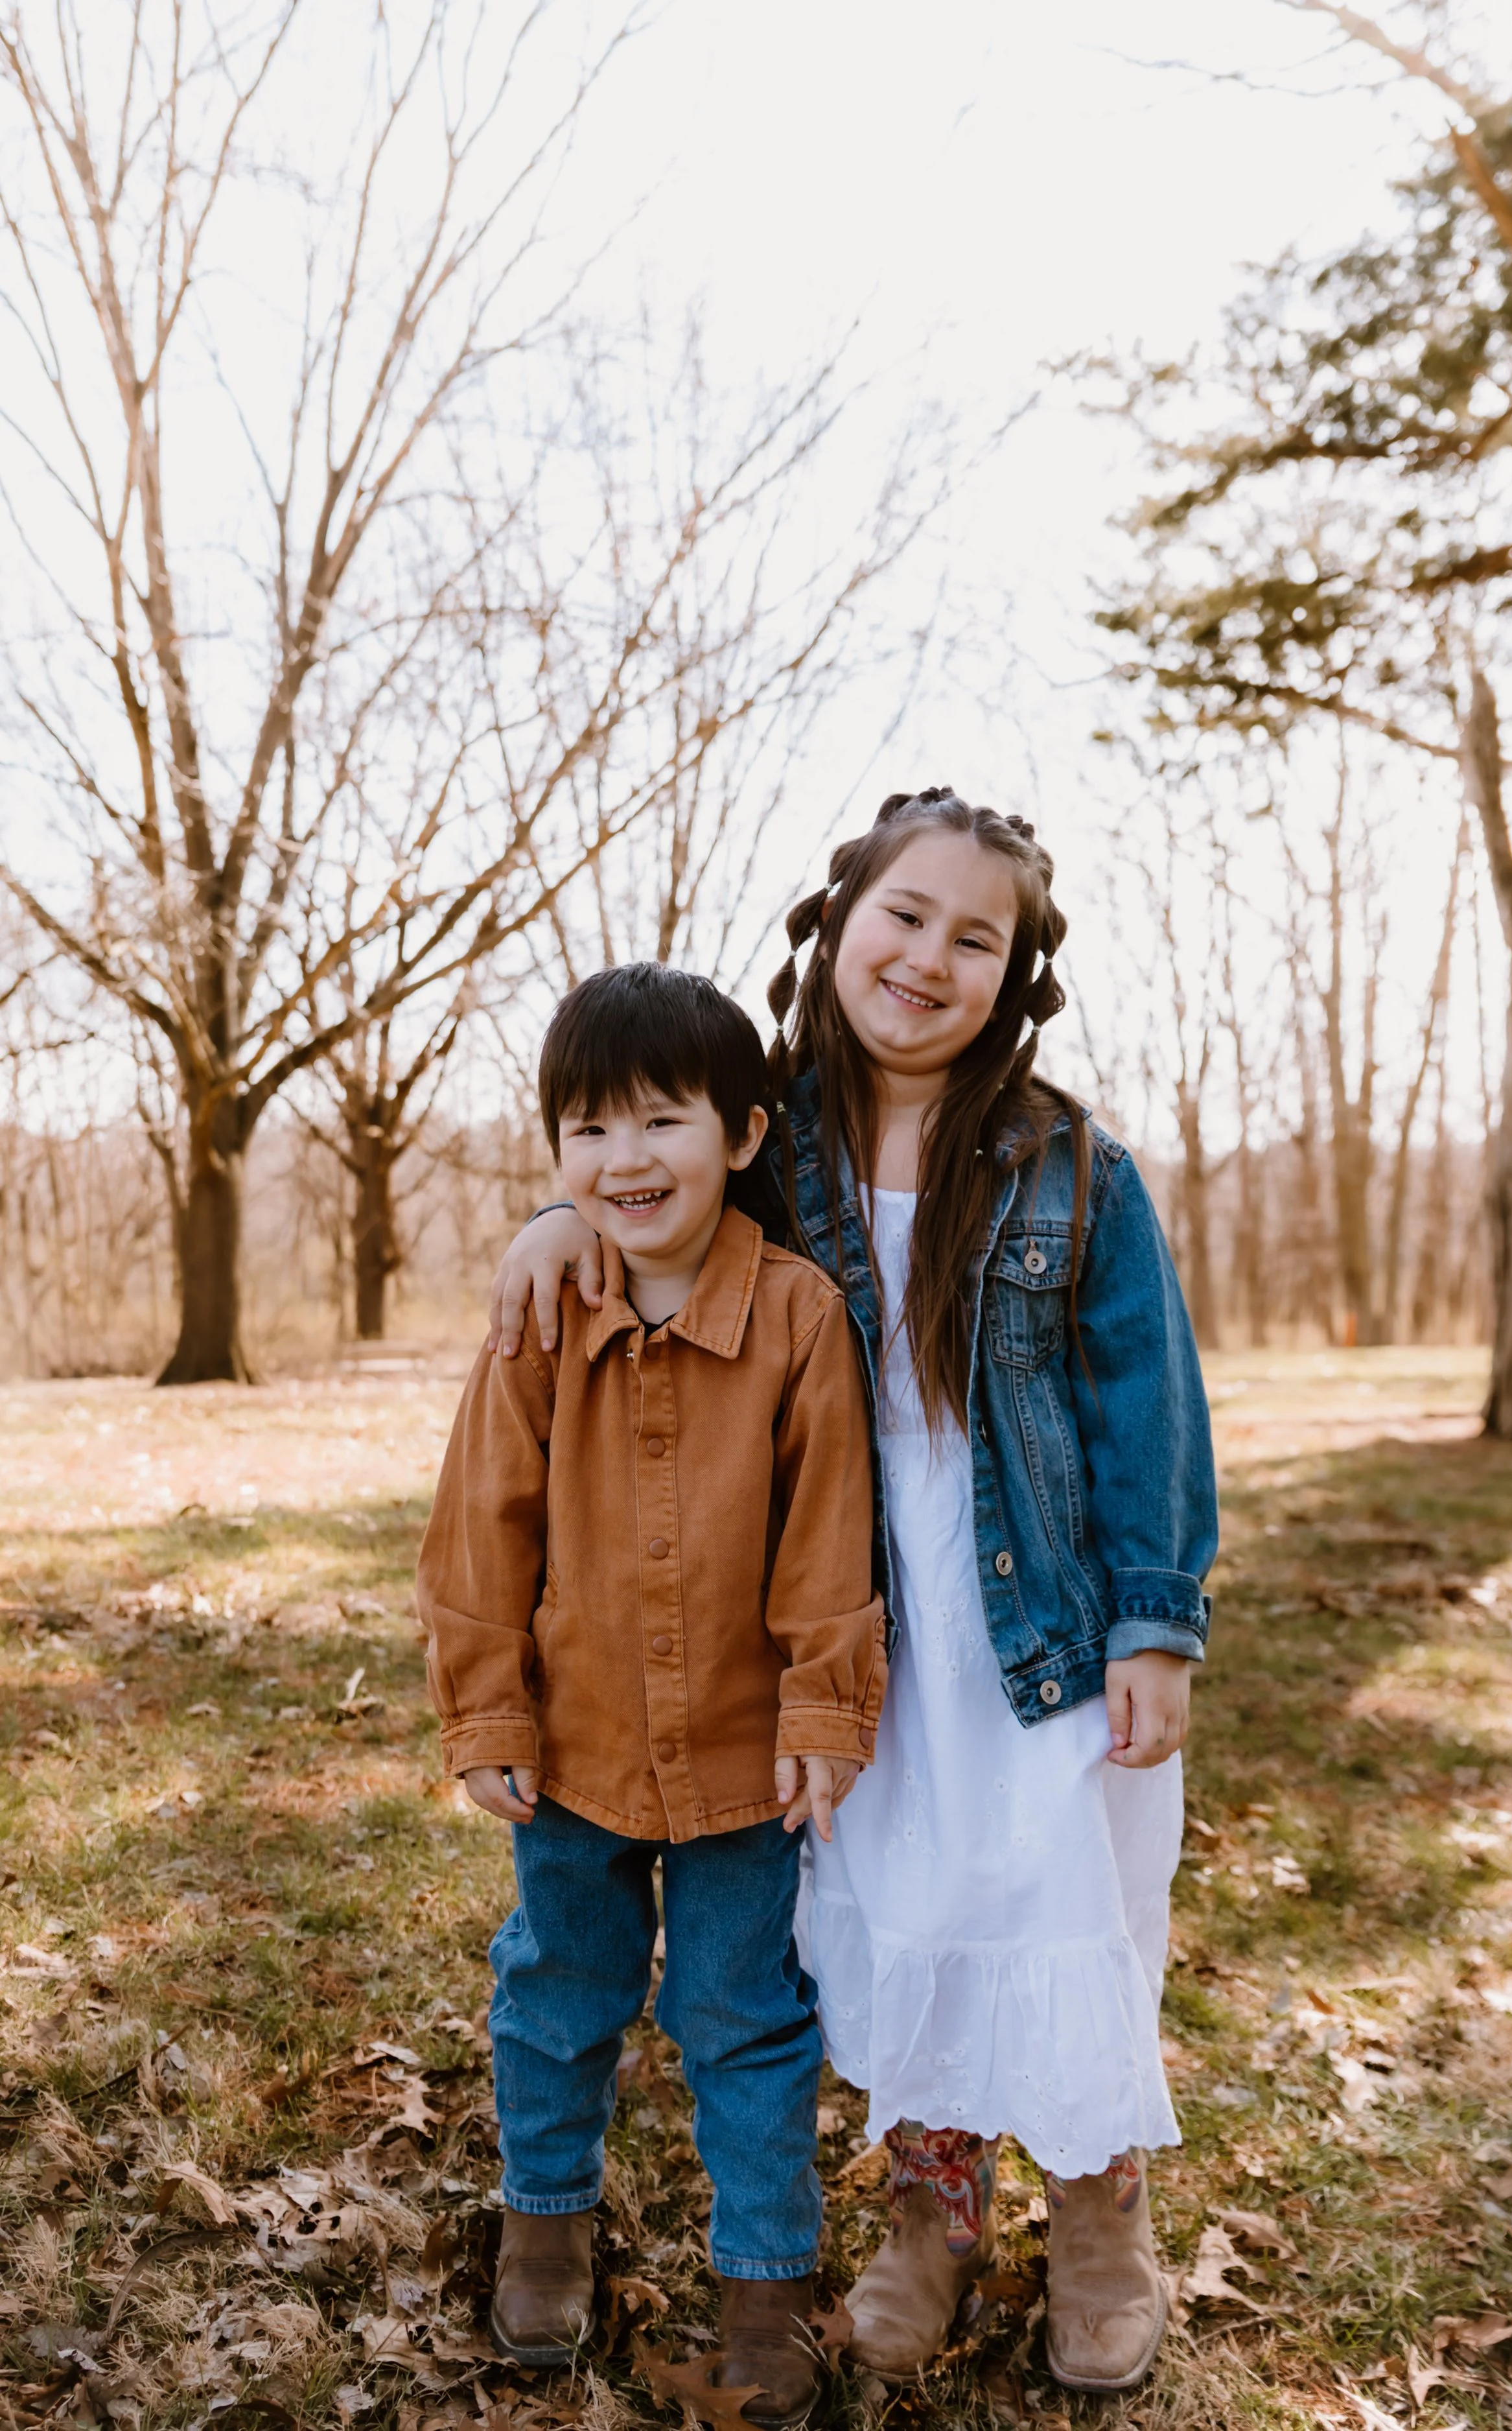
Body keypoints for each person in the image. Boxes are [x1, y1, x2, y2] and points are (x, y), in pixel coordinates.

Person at [485, 791, 1218, 2397]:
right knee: (907, 1903)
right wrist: (552, 1210)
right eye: (905, 914)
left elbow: (1145, 1397)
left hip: (1037, 1611)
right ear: (840, 921)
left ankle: (1100, 2210)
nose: (928, 957)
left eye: (976, 937)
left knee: (1069, 1896)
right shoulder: (768, 1134)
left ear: (1013, 974)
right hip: (840, 1600)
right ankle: (930, 2212)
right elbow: (640, 1182)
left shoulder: (1066, 1163)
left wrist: (1155, 1622)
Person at [419, 962, 885, 2427]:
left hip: (748, 1761)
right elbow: (479, 1524)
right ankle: (544, 2221)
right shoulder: (541, 1313)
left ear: (743, 1135)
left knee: (744, 2014)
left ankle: (762, 2288)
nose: (625, 1161)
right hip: (576, 1748)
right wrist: (487, 1713)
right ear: (556, 1154)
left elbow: (830, 1540)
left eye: (662, 1123)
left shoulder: (800, 1318)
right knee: (557, 1991)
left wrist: (825, 1709)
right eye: (589, 1132)